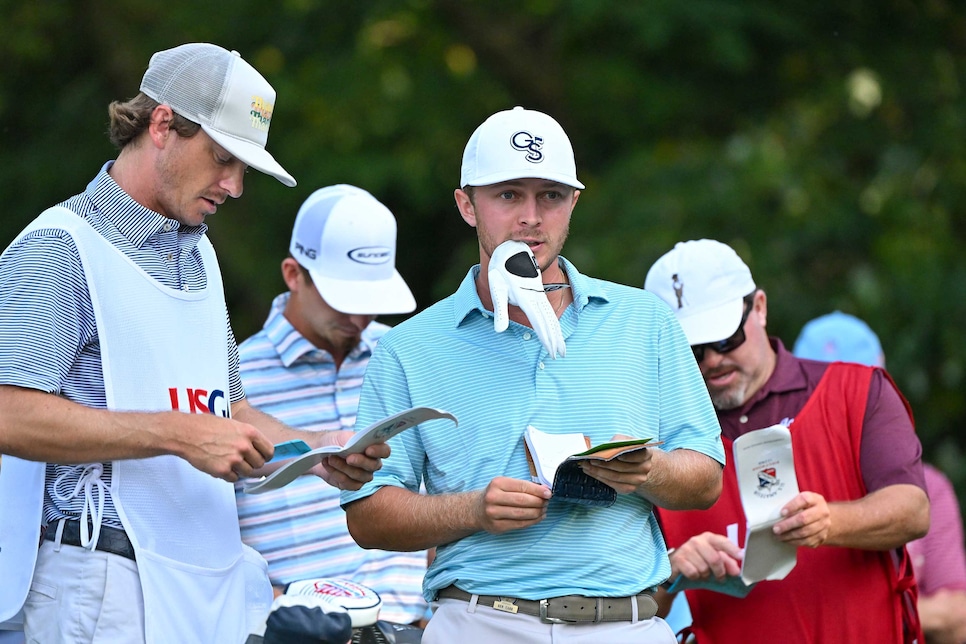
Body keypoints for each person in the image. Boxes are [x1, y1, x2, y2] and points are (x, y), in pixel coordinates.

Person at [0, 43, 386, 643]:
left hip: (205, 576)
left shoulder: (200, 254)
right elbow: (8, 413)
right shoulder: (58, 247)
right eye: (222, 158)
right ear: (162, 125)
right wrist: (176, 434)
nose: (233, 186)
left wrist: (317, 448)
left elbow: (222, 409)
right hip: (100, 583)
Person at [341, 106, 726, 644]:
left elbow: (706, 478)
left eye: (550, 195)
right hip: (479, 621)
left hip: (624, 624)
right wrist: (474, 509)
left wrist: (648, 469)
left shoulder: (645, 322)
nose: (531, 216)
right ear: (466, 205)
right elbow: (368, 515)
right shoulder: (409, 348)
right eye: (508, 195)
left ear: (573, 203)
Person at [643, 239, 930, 644]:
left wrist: (829, 521)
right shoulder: (653, 445)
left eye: (724, 340)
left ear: (759, 307)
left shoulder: (857, 390)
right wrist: (671, 572)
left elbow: (912, 510)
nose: (711, 360)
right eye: (691, 350)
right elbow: (630, 609)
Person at [235, 184, 430, 625]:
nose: (358, 318)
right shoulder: (234, 378)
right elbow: (205, 526)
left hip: (417, 626)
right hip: (295, 627)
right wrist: (284, 608)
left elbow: (441, 482)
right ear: (293, 273)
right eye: (344, 299)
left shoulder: (403, 356)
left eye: (369, 301)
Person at [795, 311, 966, 644]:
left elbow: (959, 618)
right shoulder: (773, 481)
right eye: (824, 396)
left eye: (855, 393)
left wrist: (870, 609)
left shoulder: (927, 485)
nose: (841, 408)